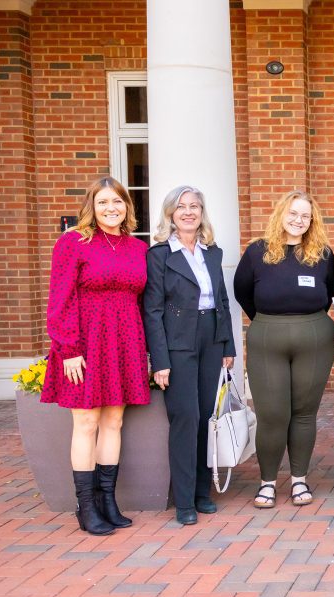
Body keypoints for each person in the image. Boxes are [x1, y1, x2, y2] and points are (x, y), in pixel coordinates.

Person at [40, 177, 150, 535]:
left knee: (113, 422)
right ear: (92, 206)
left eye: (117, 202)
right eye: (103, 202)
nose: (111, 209)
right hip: (85, 343)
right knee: (86, 423)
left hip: (125, 342)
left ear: (127, 207)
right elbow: (60, 299)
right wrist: (68, 349)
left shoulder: (137, 247)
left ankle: (107, 500)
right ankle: (85, 506)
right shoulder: (73, 242)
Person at [233, 190, 334, 509]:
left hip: (314, 337)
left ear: (312, 220)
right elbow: (242, 292)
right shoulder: (257, 252)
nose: (298, 220)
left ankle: (299, 480)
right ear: (281, 213)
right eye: (293, 213)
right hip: (268, 337)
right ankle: (266, 483)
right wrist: (269, 322)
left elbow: (330, 290)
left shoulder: (323, 254)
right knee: (272, 414)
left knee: (304, 413)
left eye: (305, 215)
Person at [144, 186, 237, 526]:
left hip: (211, 339)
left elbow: (222, 302)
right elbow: (152, 311)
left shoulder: (212, 252)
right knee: (185, 418)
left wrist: (228, 347)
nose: (188, 212)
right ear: (170, 214)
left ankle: (202, 493)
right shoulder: (158, 256)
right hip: (177, 343)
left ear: (202, 212)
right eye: (181, 207)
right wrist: (161, 360)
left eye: (194, 206)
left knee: (205, 419)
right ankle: (184, 500)